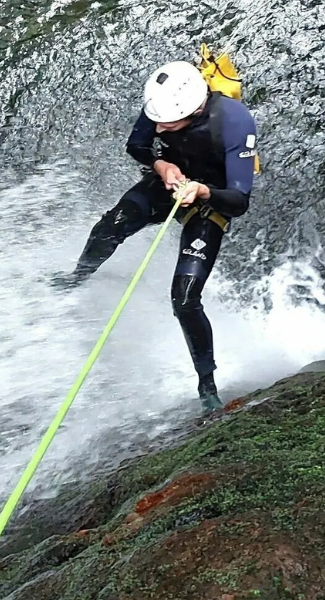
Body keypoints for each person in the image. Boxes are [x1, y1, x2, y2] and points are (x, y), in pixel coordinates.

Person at [54, 60, 258, 411]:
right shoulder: (163, 102)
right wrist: (162, 165)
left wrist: (202, 191)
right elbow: (138, 146)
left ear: (194, 110)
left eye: (168, 123)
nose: (159, 128)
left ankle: (207, 384)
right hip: (168, 182)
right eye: (156, 120)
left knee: (184, 297)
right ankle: (78, 277)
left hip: (211, 200)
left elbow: (240, 201)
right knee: (112, 224)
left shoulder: (235, 122)